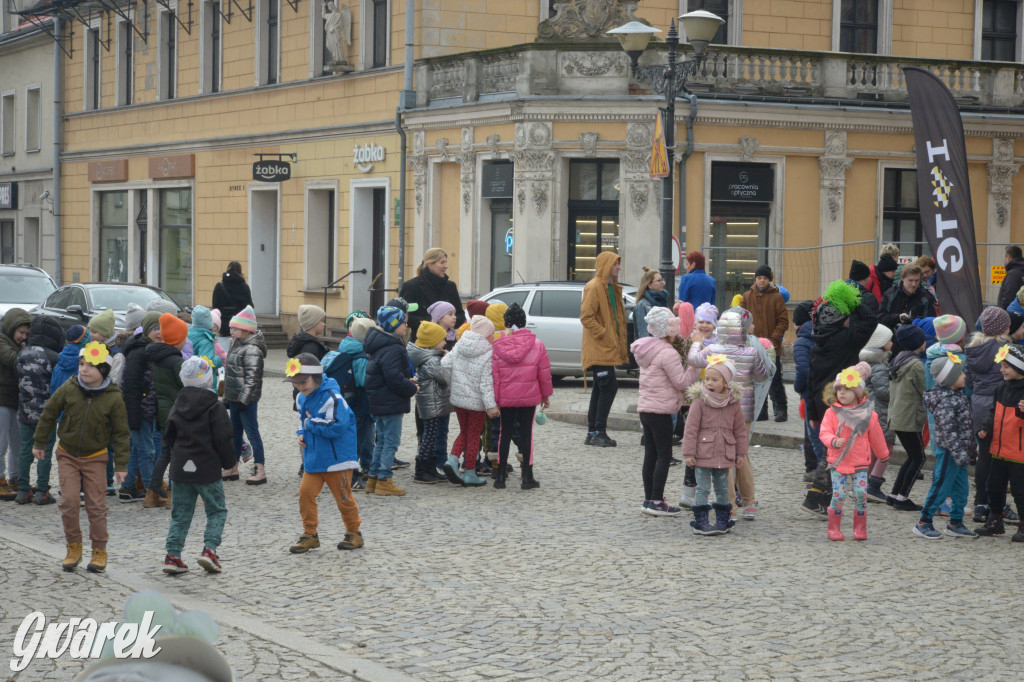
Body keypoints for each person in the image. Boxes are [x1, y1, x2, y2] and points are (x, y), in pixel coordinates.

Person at [33, 343, 130, 573]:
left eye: (92, 366)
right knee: (69, 502)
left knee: (96, 506)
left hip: (96, 457)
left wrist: (121, 465)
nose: (84, 370)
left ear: (104, 371)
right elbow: (49, 413)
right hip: (67, 454)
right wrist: (39, 441)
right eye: (82, 364)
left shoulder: (113, 398)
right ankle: (73, 546)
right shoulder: (70, 386)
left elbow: (121, 432)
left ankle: (99, 550)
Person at [688, 307, 773, 519]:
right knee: (741, 453)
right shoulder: (751, 351)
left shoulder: (712, 350)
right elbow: (762, 376)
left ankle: (730, 507)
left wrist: (697, 342)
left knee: (723, 455)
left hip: (719, 408)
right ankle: (750, 501)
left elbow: (693, 360)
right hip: (745, 408)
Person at [801, 280, 877, 517]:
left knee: (833, 451)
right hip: (842, 403)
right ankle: (815, 496)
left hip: (823, 404)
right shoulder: (845, 340)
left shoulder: (818, 343)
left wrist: (812, 413)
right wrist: (854, 302)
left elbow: (811, 382)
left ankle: (825, 497)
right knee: (834, 454)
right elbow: (870, 321)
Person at [153, 357, 235, 574]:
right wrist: (229, 462)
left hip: (180, 468)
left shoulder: (177, 403)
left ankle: (172, 555)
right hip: (207, 468)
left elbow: (168, 434)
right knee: (217, 510)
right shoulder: (215, 407)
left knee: (181, 513)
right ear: (210, 381)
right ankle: (209, 550)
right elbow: (223, 437)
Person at [285, 353, 364, 554]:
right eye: (296, 383)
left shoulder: (333, 397)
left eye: (304, 381)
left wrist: (309, 424)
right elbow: (303, 421)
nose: (300, 387)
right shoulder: (302, 398)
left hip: (337, 460)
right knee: (305, 494)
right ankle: (310, 534)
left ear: (317, 377)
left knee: (344, 498)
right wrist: (302, 433)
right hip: (314, 456)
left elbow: (337, 426)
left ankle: (354, 533)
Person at [819, 363, 888, 541]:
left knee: (860, 494)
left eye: (847, 389)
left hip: (860, 461)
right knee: (839, 494)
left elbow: (877, 436)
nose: (842, 393)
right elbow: (824, 432)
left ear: (857, 393)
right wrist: (833, 441)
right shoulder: (831, 413)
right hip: (838, 461)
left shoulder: (868, 415)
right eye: (839, 389)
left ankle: (859, 527)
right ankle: (833, 528)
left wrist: (883, 454)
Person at [632, 307, 689, 515]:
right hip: (662, 411)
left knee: (650, 454)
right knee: (664, 455)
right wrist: (693, 367)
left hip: (646, 409)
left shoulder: (647, 349)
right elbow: (681, 382)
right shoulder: (667, 352)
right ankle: (657, 501)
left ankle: (649, 499)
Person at [913, 354, 977, 539]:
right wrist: (960, 453)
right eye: (960, 373)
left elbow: (965, 426)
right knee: (940, 487)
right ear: (949, 379)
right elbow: (950, 432)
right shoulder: (946, 400)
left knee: (961, 491)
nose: (964, 376)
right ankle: (924, 521)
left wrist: (970, 450)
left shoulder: (958, 395)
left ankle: (955, 522)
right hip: (950, 453)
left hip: (960, 453)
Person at [491, 302, 553, 490]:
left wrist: (495, 398)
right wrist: (545, 395)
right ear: (524, 322)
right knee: (527, 434)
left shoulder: (498, 346)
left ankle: (500, 476)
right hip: (529, 396)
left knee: (504, 433)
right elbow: (543, 373)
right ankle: (527, 476)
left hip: (506, 397)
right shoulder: (537, 344)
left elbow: (495, 375)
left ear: (506, 323)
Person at [683, 356, 746, 535]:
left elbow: (740, 431)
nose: (709, 382)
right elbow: (691, 429)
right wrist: (689, 453)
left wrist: (740, 453)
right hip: (703, 453)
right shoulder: (699, 401)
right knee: (702, 488)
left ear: (726, 382)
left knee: (722, 488)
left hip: (725, 453)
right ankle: (701, 521)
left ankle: (722, 520)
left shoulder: (733, 404)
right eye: (707, 378)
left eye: (714, 379)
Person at [364, 305, 418, 496]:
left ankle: (373, 478)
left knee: (381, 441)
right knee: (391, 442)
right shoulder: (393, 347)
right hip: (391, 402)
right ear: (394, 325)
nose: (406, 326)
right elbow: (394, 378)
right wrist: (412, 386)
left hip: (379, 401)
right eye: (403, 323)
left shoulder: (379, 345)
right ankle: (385, 479)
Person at [967, 307, 1015, 523]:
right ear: (1004, 327)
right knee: (1002, 455)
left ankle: (980, 504)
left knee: (984, 454)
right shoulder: (1004, 349)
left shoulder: (974, 348)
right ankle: (999, 505)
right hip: (1000, 404)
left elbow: (968, 381)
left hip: (978, 402)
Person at [12, 315, 64, 505]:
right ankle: (42, 490)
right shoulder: (53, 357)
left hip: (24, 411)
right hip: (46, 413)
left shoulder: (22, 354)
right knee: (45, 451)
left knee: (26, 449)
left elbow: (17, 377)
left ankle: (23, 490)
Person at [442, 315, 499, 486]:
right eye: (491, 334)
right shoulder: (488, 353)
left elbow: (445, 364)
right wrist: (491, 406)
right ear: (485, 335)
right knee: (474, 435)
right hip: (476, 403)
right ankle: (469, 472)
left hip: (458, 399)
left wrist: (452, 384)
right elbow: (486, 384)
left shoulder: (460, 345)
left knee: (463, 432)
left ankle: (452, 459)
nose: (493, 337)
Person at [975, 343, 1024, 540]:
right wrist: (986, 427)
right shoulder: (1001, 388)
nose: (1001, 370)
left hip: (1019, 452)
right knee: (993, 487)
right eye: (1001, 365)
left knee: (1020, 491)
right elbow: (994, 412)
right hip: (998, 449)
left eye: (1007, 366)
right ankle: (995, 520)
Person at [580, 251, 628, 448]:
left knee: (601, 388)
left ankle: (593, 432)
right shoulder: (594, 287)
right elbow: (586, 316)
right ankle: (599, 431)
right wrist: (603, 333)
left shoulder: (610, 287)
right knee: (609, 387)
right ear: (606, 265)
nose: (618, 267)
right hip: (599, 347)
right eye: (616, 264)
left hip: (606, 347)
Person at [145, 313, 190, 508]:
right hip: (177, 412)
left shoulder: (156, 358)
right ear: (178, 340)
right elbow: (187, 385)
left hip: (161, 412)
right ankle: (173, 495)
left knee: (164, 453)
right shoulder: (176, 362)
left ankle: (151, 493)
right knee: (177, 454)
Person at [408, 322, 457, 485]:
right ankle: (421, 470)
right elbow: (445, 378)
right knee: (429, 437)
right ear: (432, 343)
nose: (444, 343)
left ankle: (429, 468)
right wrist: (448, 359)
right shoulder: (432, 361)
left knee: (431, 435)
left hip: (431, 404)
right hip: (431, 406)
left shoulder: (429, 358)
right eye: (442, 340)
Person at [224, 306, 268, 485]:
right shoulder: (237, 344)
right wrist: (228, 397)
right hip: (235, 398)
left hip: (246, 400)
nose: (230, 330)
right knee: (234, 434)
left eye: (234, 328)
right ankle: (232, 467)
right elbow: (231, 374)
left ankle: (260, 468)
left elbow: (252, 378)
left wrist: (244, 399)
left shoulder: (252, 349)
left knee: (252, 433)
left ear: (245, 329)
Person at [120, 313, 162, 500]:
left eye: (162, 328)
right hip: (138, 410)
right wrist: (134, 414)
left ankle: (127, 487)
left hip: (148, 408)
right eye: (155, 328)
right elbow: (130, 386)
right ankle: (151, 490)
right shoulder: (139, 352)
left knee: (138, 449)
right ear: (147, 329)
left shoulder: (151, 349)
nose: (159, 332)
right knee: (147, 450)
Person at [886, 324, 928, 510]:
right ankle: (902, 497)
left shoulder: (899, 360)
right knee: (918, 458)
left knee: (912, 457)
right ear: (918, 343)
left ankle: (895, 494)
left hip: (897, 416)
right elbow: (925, 389)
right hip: (909, 418)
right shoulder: (916, 365)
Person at [740, 265, 789, 422]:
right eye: (759, 277)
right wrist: (747, 332)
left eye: (765, 278)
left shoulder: (777, 297)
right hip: (752, 345)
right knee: (755, 379)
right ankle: (761, 410)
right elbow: (741, 318)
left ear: (770, 280)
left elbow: (783, 321)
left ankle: (780, 409)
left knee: (774, 379)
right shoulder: (747, 297)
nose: (762, 281)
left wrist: (773, 340)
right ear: (755, 279)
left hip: (771, 346)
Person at [335, 317, 376, 489]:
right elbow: (363, 381)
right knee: (358, 439)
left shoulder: (346, 346)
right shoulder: (360, 354)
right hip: (360, 403)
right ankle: (350, 475)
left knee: (365, 437)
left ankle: (367, 466)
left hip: (350, 400)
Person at [398, 247, 466, 343]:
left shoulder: (450, 286)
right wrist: (433, 321)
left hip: (447, 342)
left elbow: (460, 315)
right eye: (442, 262)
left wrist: (450, 321)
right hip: (422, 342)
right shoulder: (412, 286)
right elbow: (405, 317)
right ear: (430, 264)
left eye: (446, 262)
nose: (446, 266)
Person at [859, 325, 895, 503]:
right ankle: (873, 484)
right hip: (880, 412)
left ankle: (863, 483)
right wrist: (896, 390)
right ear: (881, 343)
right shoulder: (879, 365)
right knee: (885, 450)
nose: (892, 342)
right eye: (889, 340)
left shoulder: (870, 362)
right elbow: (884, 392)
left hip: (872, 410)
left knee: (874, 449)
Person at [0, 307, 30, 499]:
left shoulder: (21, 346)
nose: (23, 337)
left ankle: (16, 477)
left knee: (17, 442)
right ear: (12, 328)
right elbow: (11, 359)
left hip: (14, 398)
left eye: (26, 333)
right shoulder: (2, 340)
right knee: (1, 443)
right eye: (21, 333)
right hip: (2, 397)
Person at [878, 264, 937, 349]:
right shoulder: (890, 295)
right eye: (910, 280)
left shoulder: (926, 298)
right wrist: (897, 317)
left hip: (918, 344)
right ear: (902, 278)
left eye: (917, 281)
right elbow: (880, 318)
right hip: (893, 343)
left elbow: (931, 323)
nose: (913, 284)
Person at [792, 301, 820, 479]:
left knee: (812, 433)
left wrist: (798, 387)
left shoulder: (802, 340)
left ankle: (814, 470)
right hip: (828, 390)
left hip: (811, 393)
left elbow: (802, 370)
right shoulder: (825, 333)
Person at [211, 261, 254, 338]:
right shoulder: (244, 287)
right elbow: (249, 307)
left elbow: (215, 307)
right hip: (239, 327)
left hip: (222, 326)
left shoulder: (219, 286)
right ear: (240, 272)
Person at [188, 306, 224, 392]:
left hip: (190, 380)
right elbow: (206, 364)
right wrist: (218, 360)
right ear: (209, 323)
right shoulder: (206, 340)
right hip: (207, 385)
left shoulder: (187, 336)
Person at [633, 267, 670, 339]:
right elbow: (644, 335)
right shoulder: (642, 305)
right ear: (650, 285)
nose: (662, 282)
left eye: (662, 279)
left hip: (664, 345)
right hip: (651, 348)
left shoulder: (662, 300)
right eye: (659, 280)